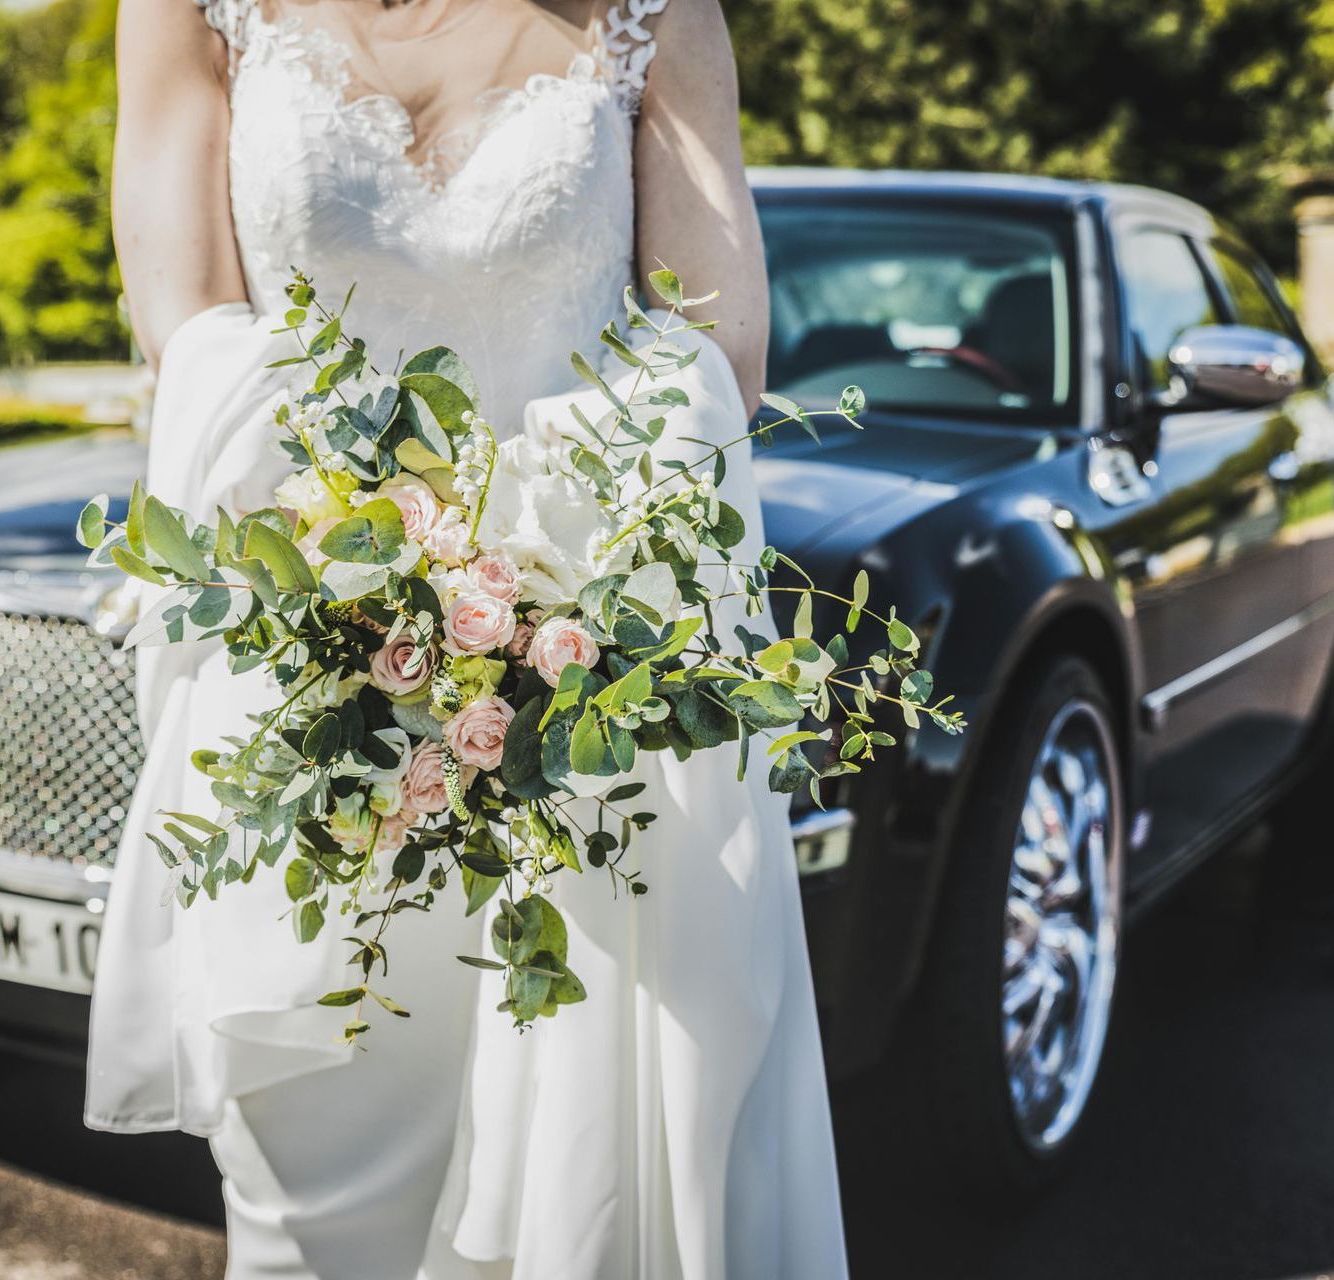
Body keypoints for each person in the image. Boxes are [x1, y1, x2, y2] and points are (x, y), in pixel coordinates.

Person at [85, 1, 850, 1275]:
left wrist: (539, 576)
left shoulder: (652, 12)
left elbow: (718, 343)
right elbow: (192, 331)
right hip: (316, 688)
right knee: (308, 1198)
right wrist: (376, 564)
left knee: (584, 1191)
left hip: (584, 691)